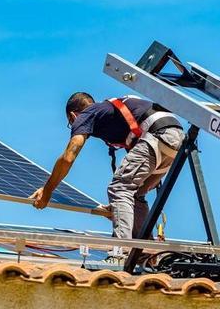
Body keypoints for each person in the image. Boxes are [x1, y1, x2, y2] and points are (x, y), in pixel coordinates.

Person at [31, 93, 185, 245]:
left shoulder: (87, 114)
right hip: (176, 138)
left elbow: (68, 157)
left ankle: (120, 251)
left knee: (119, 188)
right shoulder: (110, 113)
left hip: (157, 133)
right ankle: (143, 252)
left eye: (71, 123)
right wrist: (120, 208)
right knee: (135, 194)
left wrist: (47, 190)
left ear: (73, 116)